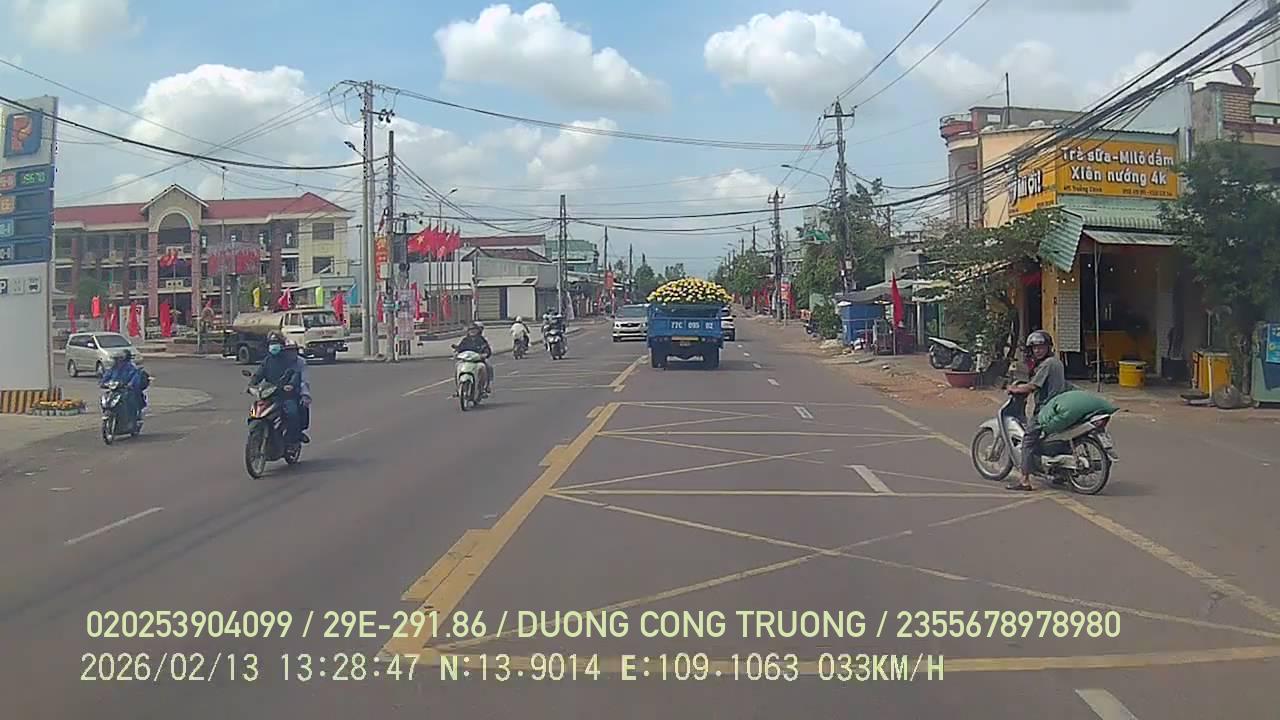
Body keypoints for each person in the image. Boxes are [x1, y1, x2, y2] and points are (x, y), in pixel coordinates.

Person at [1006, 330, 1067, 491]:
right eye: (1035, 348)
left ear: (1048, 347)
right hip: (1060, 406)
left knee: (1028, 440)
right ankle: (1060, 473)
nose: (1038, 350)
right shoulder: (1057, 362)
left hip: (1047, 408)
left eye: (1041, 347)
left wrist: (1014, 389)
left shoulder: (1047, 364)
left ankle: (1025, 480)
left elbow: (1033, 386)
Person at [249, 331, 303, 445]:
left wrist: (291, 385)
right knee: (255, 412)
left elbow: (295, 374)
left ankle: (292, 440)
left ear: (281, 345)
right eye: (271, 343)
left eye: (276, 343)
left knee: (292, 413)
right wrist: (252, 384)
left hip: (285, 395)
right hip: (269, 394)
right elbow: (259, 374)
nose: (273, 346)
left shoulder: (289, 359)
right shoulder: (267, 360)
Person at [100, 350, 147, 427]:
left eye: (117, 359)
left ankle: (131, 420)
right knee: (106, 399)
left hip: (126, 390)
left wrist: (130, 384)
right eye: (115, 359)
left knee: (128, 400)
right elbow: (106, 377)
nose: (115, 361)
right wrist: (103, 383)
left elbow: (135, 377)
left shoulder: (130, 368)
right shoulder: (113, 369)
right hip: (115, 390)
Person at [454, 321, 493, 396]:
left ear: (478, 331)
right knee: (457, 365)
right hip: (466, 361)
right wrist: (457, 352)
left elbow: (487, 349)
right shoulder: (465, 340)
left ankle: (485, 387)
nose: (472, 331)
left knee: (486, 366)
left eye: (474, 329)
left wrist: (485, 354)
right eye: (470, 330)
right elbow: (460, 348)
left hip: (478, 361)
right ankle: (458, 388)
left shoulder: (481, 340)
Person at [284, 338, 311, 443]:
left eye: (293, 350)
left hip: (293, 392)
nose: (291, 353)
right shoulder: (278, 361)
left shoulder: (301, 362)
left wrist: (305, 395)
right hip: (276, 392)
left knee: (294, 412)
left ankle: (297, 434)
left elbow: (304, 380)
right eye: (288, 350)